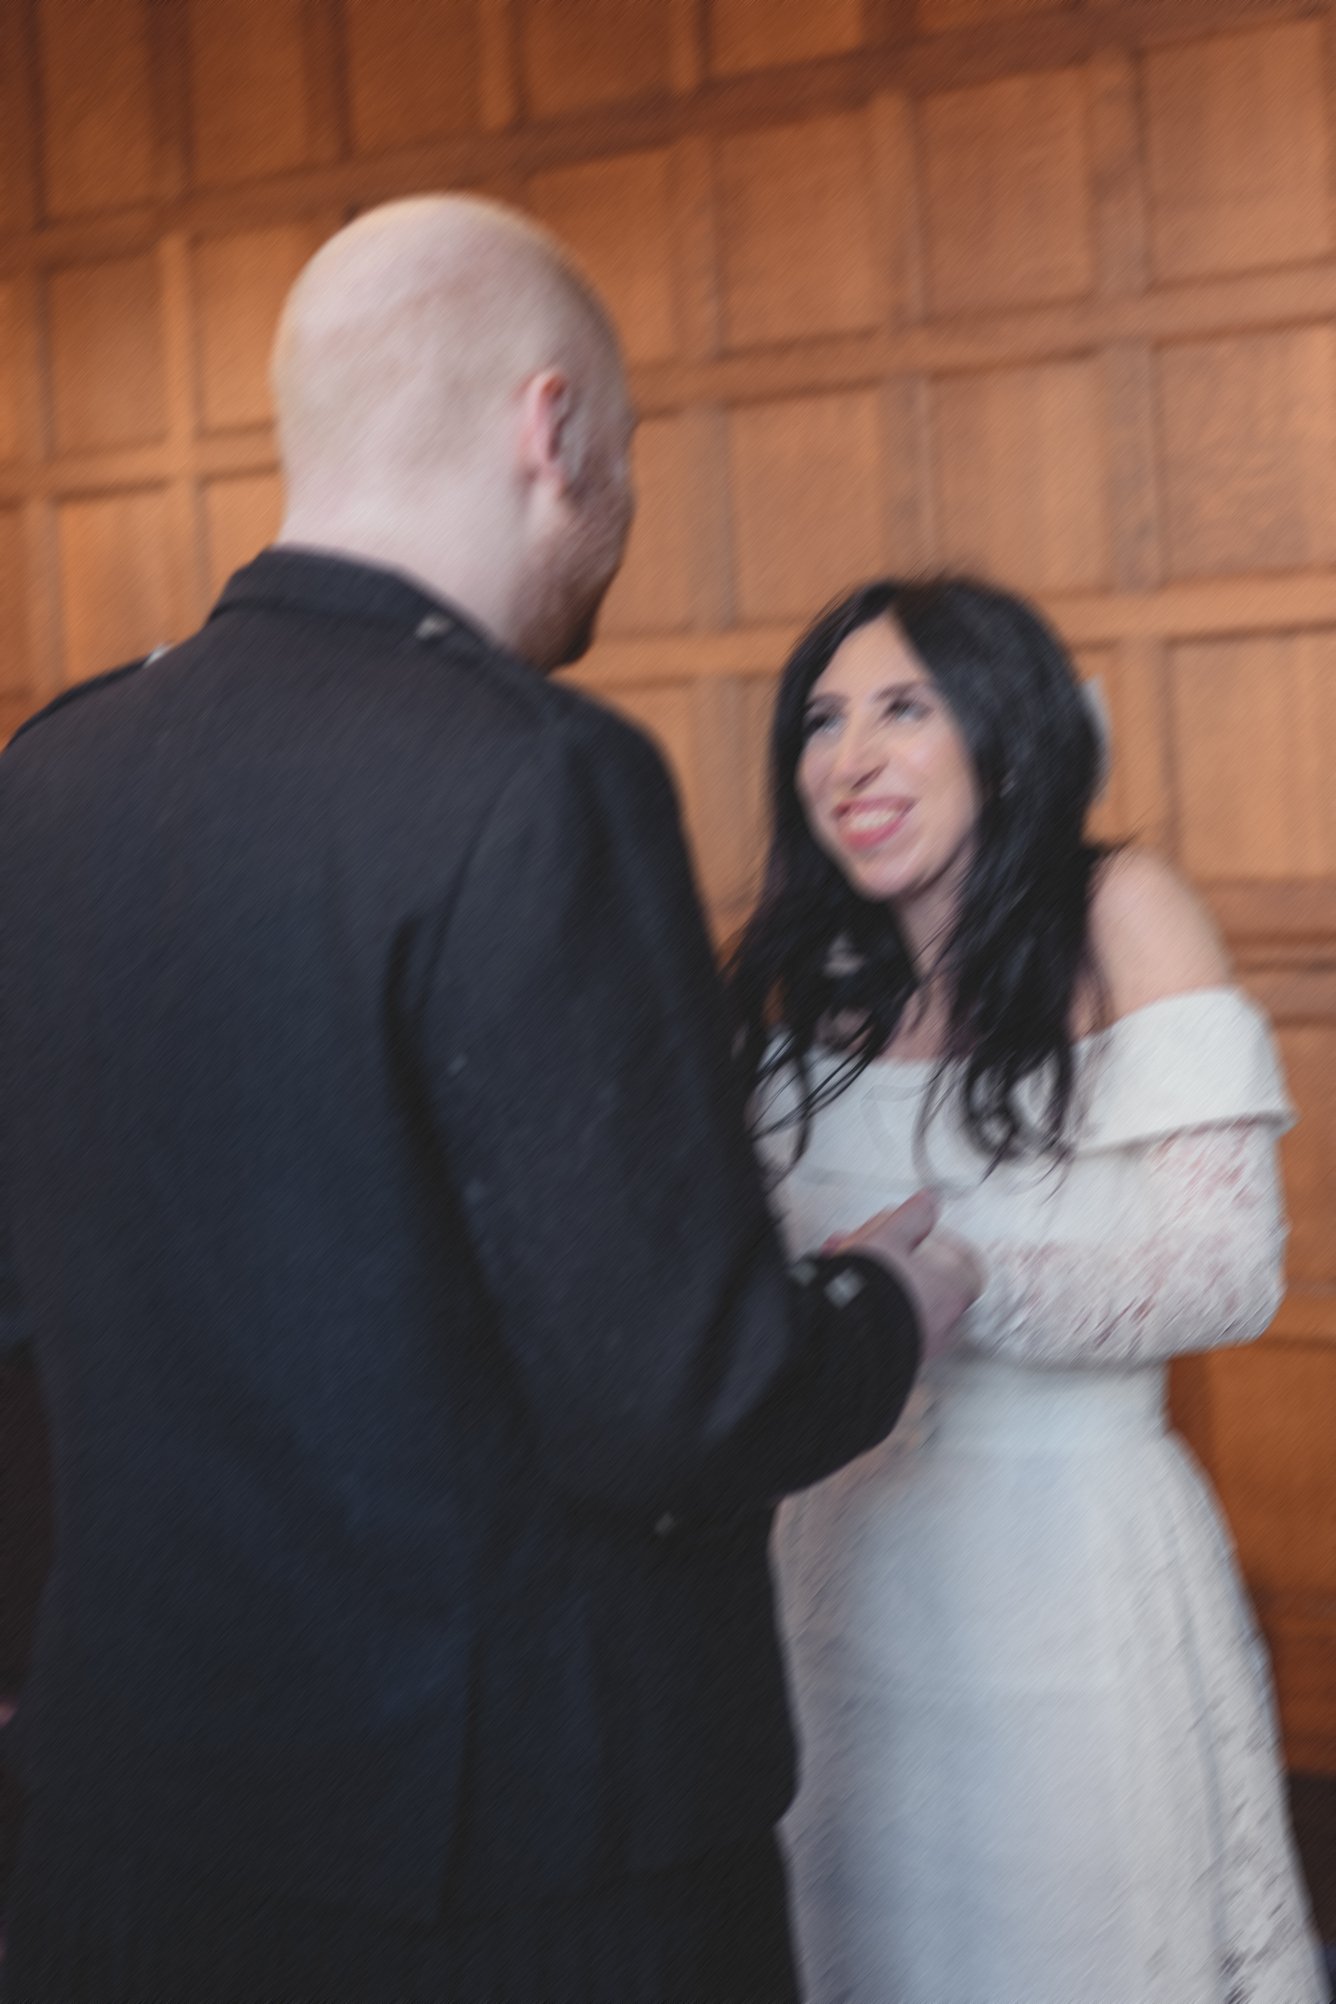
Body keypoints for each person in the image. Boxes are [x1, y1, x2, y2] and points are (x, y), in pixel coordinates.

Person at [0, 201, 978, 2002]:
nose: (617, 511)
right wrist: (887, 1307)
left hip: (120, 1825)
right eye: (620, 460)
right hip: (517, 1858)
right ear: (551, 431)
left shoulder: (48, 775)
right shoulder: (535, 771)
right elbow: (675, 1401)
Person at [729, 576, 1330, 2004]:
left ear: (1004, 727)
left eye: (901, 707)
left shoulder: (1122, 906)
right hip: (837, 1561)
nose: (849, 757)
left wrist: (941, 1281)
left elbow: (1228, 1270)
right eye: (820, 720)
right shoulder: (810, 969)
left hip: (1065, 1572)